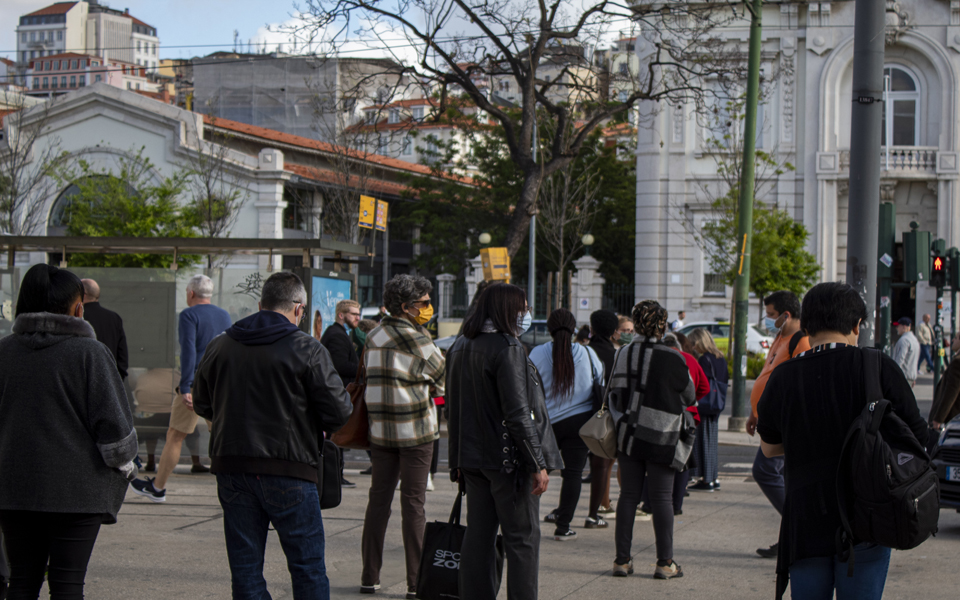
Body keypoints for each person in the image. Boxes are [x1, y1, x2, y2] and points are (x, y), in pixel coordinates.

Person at [757, 282, 928, 600]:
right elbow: (917, 439)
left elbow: (769, 449)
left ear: (806, 325)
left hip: (805, 522)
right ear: (856, 325)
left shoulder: (784, 376)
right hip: (867, 519)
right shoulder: (878, 368)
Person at [193, 271, 352, 600]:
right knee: (307, 568)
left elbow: (202, 403)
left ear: (261, 304)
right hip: (290, 469)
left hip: (232, 467)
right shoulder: (307, 348)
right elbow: (339, 411)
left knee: (246, 569)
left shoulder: (220, 345)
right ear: (299, 309)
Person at [0, 264, 138, 599]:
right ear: (78, 308)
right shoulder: (90, 353)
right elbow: (116, 434)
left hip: (12, 488)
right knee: (67, 583)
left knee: (21, 580)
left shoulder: (4, 350)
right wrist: (124, 468)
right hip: (77, 494)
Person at [446, 283, 561, 600]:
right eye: (523, 307)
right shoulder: (507, 348)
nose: (526, 314)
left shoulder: (459, 345)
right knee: (522, 539)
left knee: (479, 536)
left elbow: (454, 409)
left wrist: (457, 460)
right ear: (508, 309)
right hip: (507, 461)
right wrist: (536, 463)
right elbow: (518, 412)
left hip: (473, 459)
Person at [360, 275, 446, 599]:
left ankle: (369, 576)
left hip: (380, 432)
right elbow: (443, 374)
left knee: (377, 502)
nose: (427, 308)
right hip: (416, 432)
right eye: (423, 303)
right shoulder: (418, 339)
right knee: (414, 505)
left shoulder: (373, 335)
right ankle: (415, 583)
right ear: (407, 307)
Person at [608, 300, 695, 579]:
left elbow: (615, 391)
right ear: (662, 324)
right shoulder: (674, 357)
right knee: (661, 499)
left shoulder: (623, 354)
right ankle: (665, 563)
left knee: (628, 496)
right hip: (662, 434)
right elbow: (690, 397)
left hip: (628, 434)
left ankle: (622, 561)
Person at [131, 274, 232, 502]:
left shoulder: (189, 314)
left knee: (175, 435)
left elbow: (187, 350)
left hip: (196, 382)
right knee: (223, 436)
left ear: (190, 293)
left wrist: (186, 385)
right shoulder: (224, 315)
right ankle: (237, 488)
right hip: (220, 384)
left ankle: (158, 488)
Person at [745, 290, 810, 558]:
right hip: (769, 419)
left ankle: (801, 526)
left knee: (765, 471)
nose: (769, 320)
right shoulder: (780, 337)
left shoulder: (800, 340)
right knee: (783, 478)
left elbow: (800, 385)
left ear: (787, 314)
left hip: (782, 423)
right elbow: (767, 374)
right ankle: (792, 536)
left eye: (772, 315)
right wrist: (754, 412)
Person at [531, 308, 604, 539]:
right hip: (580, 424)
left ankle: (525, 522)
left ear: (549, 329)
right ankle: (563, 527)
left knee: (537, 473)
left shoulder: (536, 353)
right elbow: (600, 381)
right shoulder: (589, 354)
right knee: (573, 475)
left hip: (546, 425)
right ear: (574, 329)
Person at [586, 309, 621, 525]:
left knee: (573, 468)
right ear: (615, 332)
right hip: (606, 416)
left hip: (581, 412)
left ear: (591, 329)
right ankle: (599, 507)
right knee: (603, 464)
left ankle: (563, 511)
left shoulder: (583, 352)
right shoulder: (617, 355)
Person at [685, 328, 726, 493]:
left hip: (704, 405)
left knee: (702, 442)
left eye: (694, 343)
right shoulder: (720, 358)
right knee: (711, 441)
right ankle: (713, 477)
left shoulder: (704, 360)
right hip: (717, 404)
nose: (693, 347)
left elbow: (702, 383)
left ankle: (706, 479)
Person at [81, 278, 129, 379]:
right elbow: (122, 354)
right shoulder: (114, 318)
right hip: (110, 379)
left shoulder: (78, 318)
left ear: (83, 294)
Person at [321, 299, 362, 384]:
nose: (358, 318)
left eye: (358, 315)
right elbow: (341, 365)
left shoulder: (337, 332)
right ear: (341, 315)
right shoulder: (337, 335)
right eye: (354, 314)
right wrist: (363, 370)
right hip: (339, 390)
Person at [930, 331, 960, 431]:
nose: (952, 340)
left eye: (955, 338)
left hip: (953, 416)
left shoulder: (957, 362)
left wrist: (938, 419)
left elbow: (950, 393)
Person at [892, 317, 920, 386]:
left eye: (898, 326)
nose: (896, 328)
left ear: (904, 326)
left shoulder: (904, 340)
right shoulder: (914, 340)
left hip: (903, 377)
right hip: (911, 376)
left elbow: (900, 359)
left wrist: (893, 375)